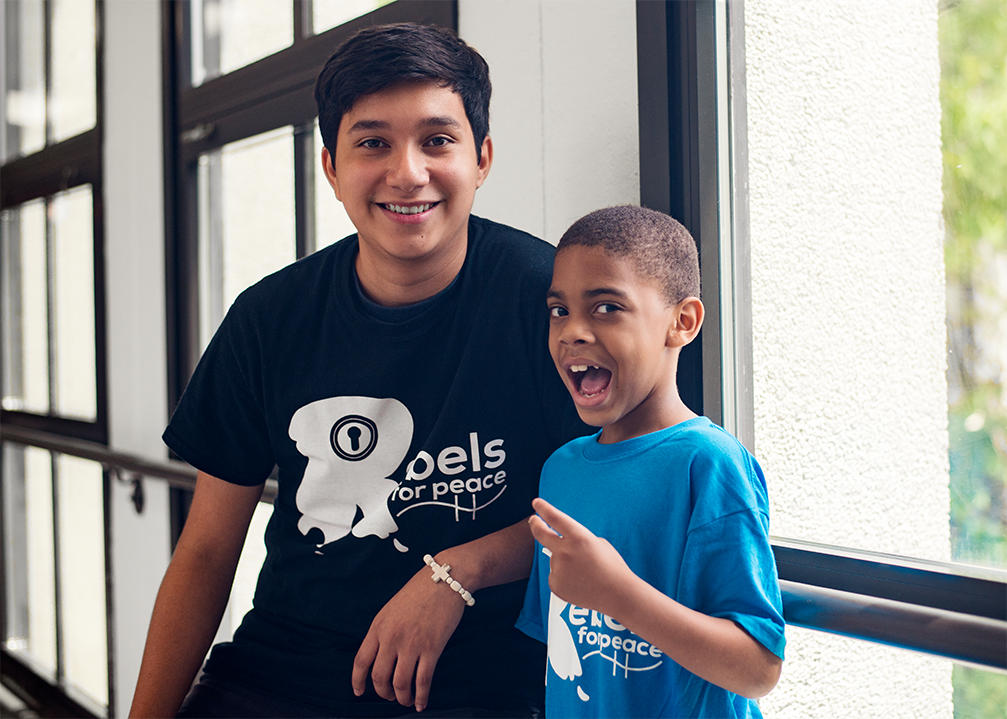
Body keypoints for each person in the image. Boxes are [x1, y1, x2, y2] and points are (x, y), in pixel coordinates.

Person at [129, 23, 584, 719]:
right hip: (278, 671)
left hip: (477, 678)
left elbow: (607, 509)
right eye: (373, 142)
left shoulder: (550, 302)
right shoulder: (269, 318)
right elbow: (206, 551)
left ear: (482, 157)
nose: (408, 172)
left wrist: (454, 572)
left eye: (437, 140)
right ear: (331, 168)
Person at [516, 205, 786, 718]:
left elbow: (758, 669)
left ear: (681, 323)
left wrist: (618, 594)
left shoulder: (710, 465)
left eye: (606, 308)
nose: (572, 330)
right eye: (559, 311)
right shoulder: (561, 471)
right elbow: (561, 652)